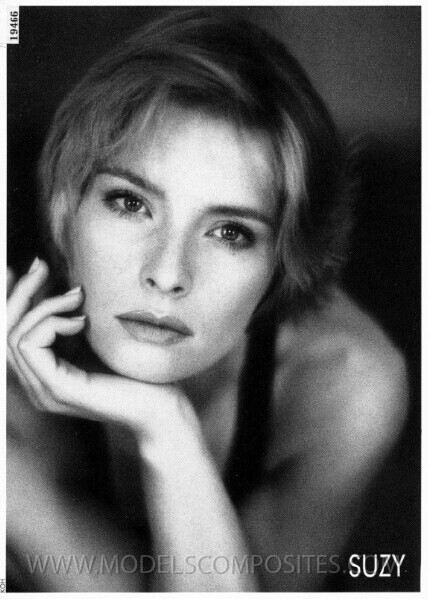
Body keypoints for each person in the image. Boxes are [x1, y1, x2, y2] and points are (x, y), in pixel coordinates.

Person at [6, 9, 408, 592]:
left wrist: (166, 430)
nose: (168, 274)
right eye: (130, 203)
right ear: (66, 209)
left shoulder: (345, 382)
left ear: (282, 264)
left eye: (230, 232)